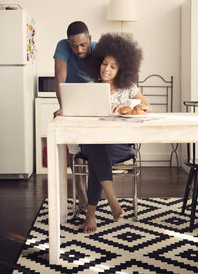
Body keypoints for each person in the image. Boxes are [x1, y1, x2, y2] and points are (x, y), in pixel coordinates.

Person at [80, 32, 151, 234]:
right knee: (96, 145)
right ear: (98, 63)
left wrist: (127, 107)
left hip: (118, 145)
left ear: (121, 70)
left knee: (97, 153)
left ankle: (91, 214)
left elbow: (147, 108)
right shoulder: (91, 87)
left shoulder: (128, 88)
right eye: (104, 64)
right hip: (93, 142)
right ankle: (112, 200)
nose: (107, 69)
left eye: (113, 66)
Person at [53, 21, 97, 211]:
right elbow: (59, 78)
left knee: (92, 146)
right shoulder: (62, 46)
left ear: (90, 39)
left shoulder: (98, 49)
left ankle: (94, 193)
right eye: (74, 45)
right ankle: (80, 192)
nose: (78, 50)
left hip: (93, 100)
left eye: (82, 44)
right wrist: (65, 108)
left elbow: (107, 79)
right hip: (71, 101)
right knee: (75, 146)